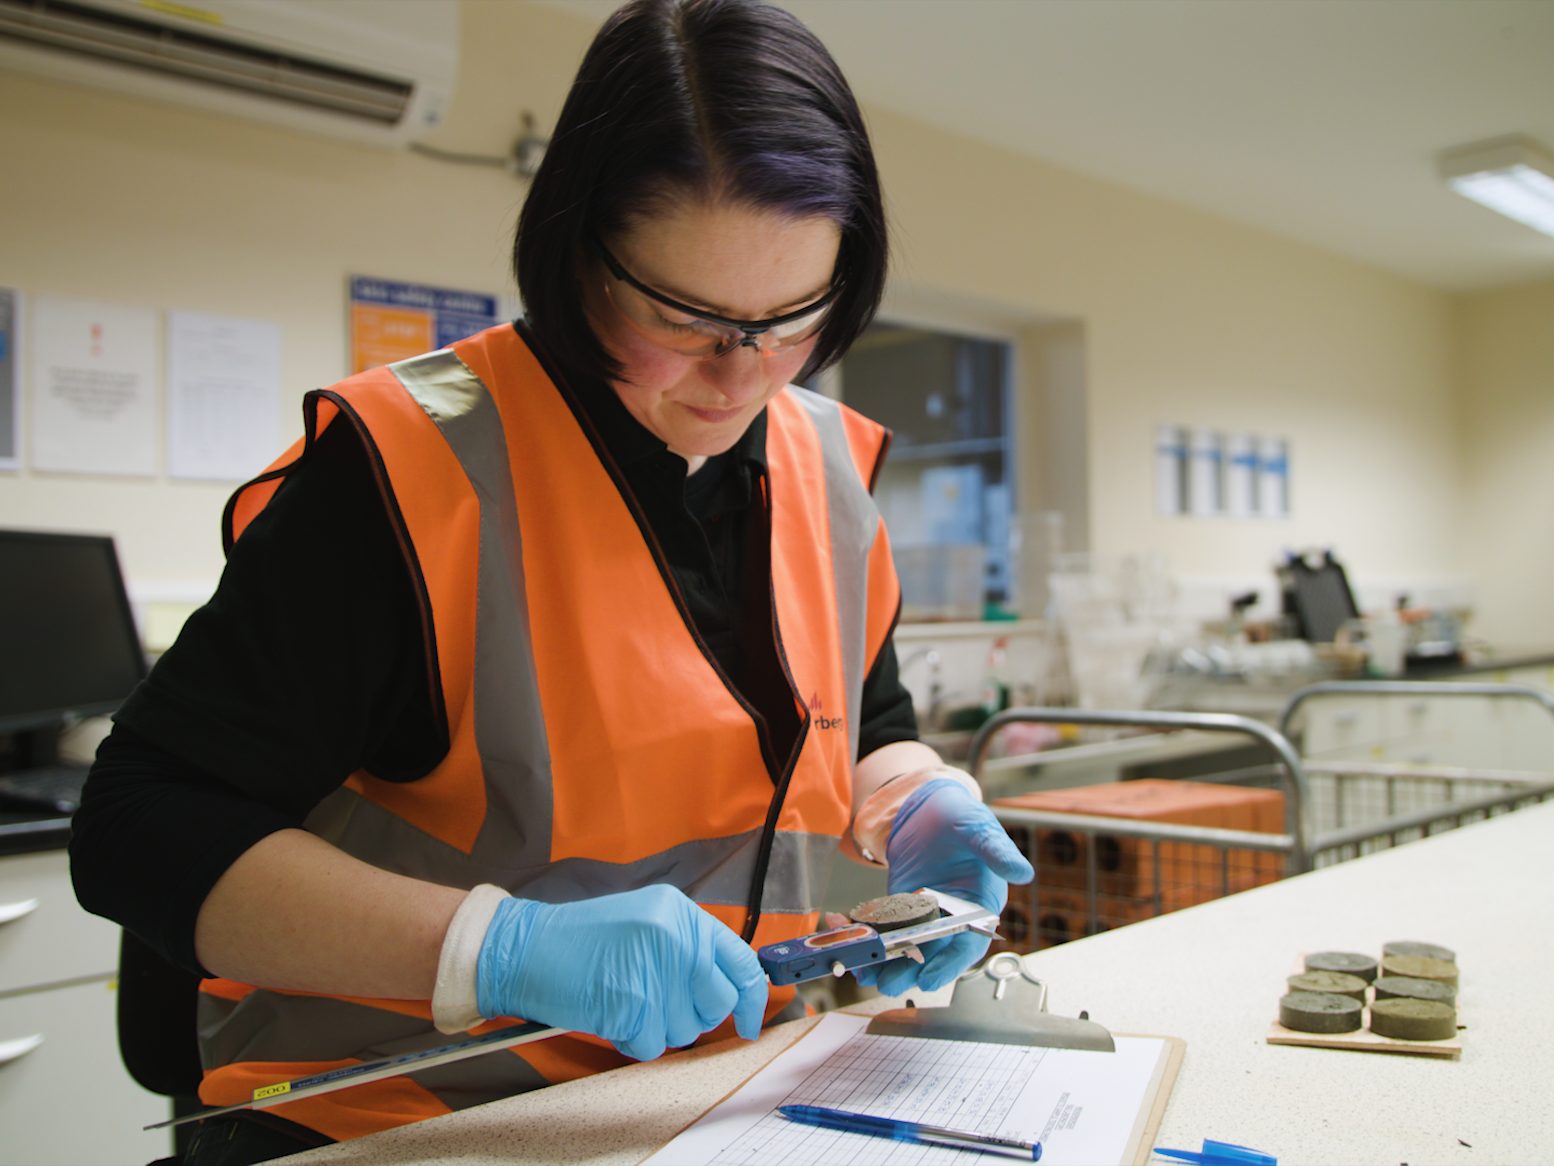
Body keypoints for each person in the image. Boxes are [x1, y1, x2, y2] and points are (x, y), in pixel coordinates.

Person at [69, 1, 1034, 1162]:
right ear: (579, 254)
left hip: (708, 1091)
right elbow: (140, 824)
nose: (741, 376)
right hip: (400, 1110)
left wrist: (910, 794)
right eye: (685, 317)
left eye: (793, 319)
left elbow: (862, 718)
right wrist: (497, 948)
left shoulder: (826, 466)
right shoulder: (407, 469)